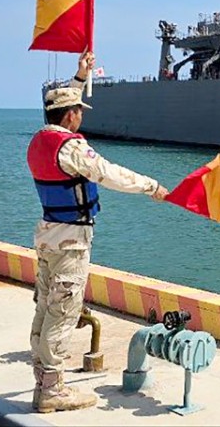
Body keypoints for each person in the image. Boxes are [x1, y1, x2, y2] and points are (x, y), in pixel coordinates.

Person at [27, 51, 169, 413]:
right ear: (71, 115)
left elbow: (63, 106)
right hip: (71, 241)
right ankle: (53, 391)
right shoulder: (72, 146)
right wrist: (151, 186)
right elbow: (108, 173)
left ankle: (42, 381)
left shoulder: (40, 140)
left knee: (45, 309)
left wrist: (79, 76)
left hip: (47, 235)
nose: (81, 116)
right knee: (63, 313)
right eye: (79, 111)